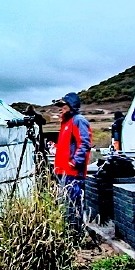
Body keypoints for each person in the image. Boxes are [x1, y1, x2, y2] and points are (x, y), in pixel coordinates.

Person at [53, 92, 92, 232]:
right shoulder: (66, 122)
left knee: (73, 205)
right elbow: (66, 145)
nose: (60, 108)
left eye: (63, 105)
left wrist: (74, 162)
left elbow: (85, 143)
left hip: (73, 172)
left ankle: (75, 233)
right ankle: (69, 232)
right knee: (65, 204)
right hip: (62, 171)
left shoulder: (78, 120)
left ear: (71, 105)